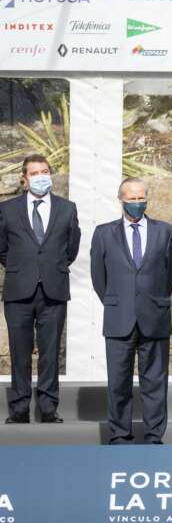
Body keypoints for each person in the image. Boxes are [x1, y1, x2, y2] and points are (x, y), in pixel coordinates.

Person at [90, 178, 172, 444]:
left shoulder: (165, 232)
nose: (137, 203)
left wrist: (153, 300)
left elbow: (168, 275)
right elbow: (98, 277)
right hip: (119, 318)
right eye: (132, 198)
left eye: (141, 198)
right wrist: (116, 301)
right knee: (118, 382)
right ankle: (119, 435)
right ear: (121, 199)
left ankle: (153, 436)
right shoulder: (104, 233)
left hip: (155, 317)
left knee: (155, 383)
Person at [0, 154, 80, 424]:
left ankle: (48, 408)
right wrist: (24, 267)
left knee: (50, 352)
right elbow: (2, 249)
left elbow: (71, 248)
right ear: (25, 178)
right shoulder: (7, 209)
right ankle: (20, 409)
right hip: (18, 290)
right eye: (34, 173)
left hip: (53, 290)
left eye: (44, 171)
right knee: (19, 353)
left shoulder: (67, 208)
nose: (40, 177)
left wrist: (49, 267)